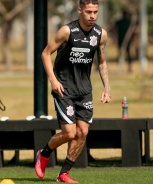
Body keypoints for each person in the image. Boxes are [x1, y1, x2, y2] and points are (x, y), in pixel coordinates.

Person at [35, 0, 111, 183]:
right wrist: (53, 80)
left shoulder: (101, 34)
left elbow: (101, 62)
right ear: (79, 10)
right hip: (64, 89)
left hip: (84, 91)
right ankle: (43, 154)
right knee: (69, 133)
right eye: (88, 12)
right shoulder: (67, 31)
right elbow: (45, 54)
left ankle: (63, 174)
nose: (92, 16)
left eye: (95, 12)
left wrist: (107, 88)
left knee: (82, 133)